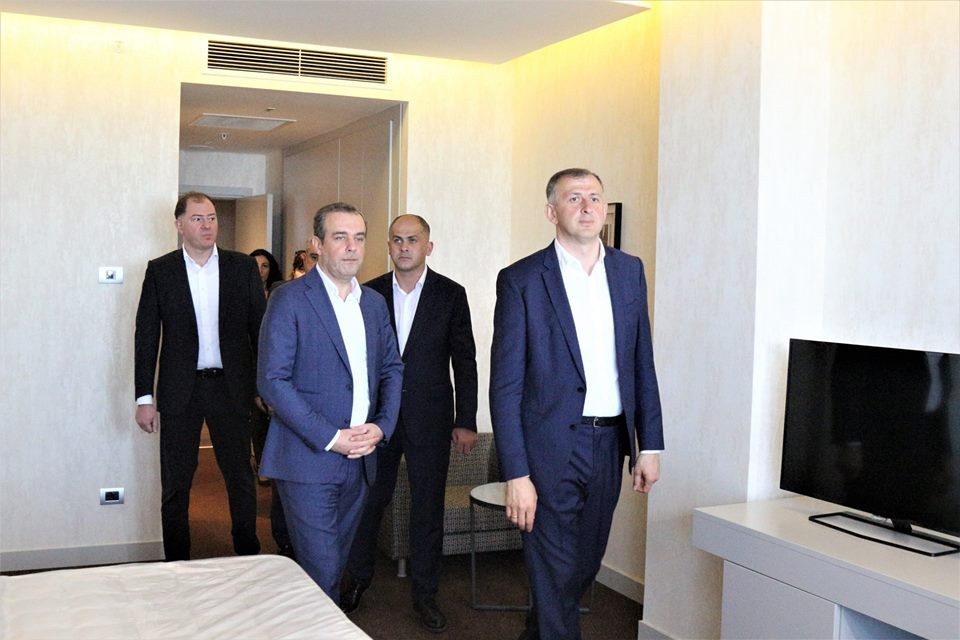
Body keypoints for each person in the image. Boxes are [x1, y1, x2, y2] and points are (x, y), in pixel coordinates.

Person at [489, 169, 664, 640]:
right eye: (574, 198)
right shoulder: (522, 279)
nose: (587, 207)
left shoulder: (629, 271)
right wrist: (516, 473)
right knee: (552, 569)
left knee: (582, 566)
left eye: (595, 198)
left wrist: (650, 445)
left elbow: (641, 361)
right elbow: (505, 386)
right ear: (552, 212)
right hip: (546, 451)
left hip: (609, 445)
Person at [257, 202, 403, 601]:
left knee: (334, 567)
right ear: (317, 244)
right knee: (322, 572)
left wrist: (382, 426)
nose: (352, 247)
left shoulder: (373, 303)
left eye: (359, 238)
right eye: (340, 237)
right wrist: (331, 437)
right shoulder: (288, 299)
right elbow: (272, 381)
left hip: (361, 459)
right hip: (308, 460)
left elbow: (392, 368)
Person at [341, 214, 479, 632]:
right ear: (388, 246)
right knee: (369, 502)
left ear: (428, 247)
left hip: (431, 418)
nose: (404, 247)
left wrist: (466, 419)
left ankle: (425, 595)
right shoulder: (368, 293)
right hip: (377, 420)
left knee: (427, 508)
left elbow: (465, 360)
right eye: (397, 240)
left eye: (412, 240)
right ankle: (356, 581)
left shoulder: (451, 295)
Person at [135, 191, 265, 561]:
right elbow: (146, 337)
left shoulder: (242, 268)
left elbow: (261, 331)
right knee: (176, 483)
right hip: (181, 391)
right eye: (197, 218)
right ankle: (177, 562)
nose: (207, 225)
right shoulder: (161, 271)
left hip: (232, 388)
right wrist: (144, 398)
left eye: (211, 218)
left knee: (240, 477)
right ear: (179, 225)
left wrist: (263, 385)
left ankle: (248, 554)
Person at [248, 248, 282, 485]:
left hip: (276, 363)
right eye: (255, 266)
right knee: (257, 419)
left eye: (265, 265)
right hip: (252, 363)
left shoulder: (280, 294)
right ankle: (261, 464)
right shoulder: (242, 295)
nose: (260, 271)